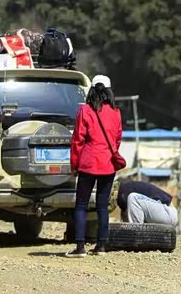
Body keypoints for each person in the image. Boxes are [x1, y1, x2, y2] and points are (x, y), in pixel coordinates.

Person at [67, 74, 123, 257]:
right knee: (102, 206)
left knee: (81, 205)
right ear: (109, 92)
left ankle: (80, 247)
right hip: (107, 164)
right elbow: (117, 139)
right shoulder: (116, 112)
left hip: (88, 163)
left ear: (91, 90)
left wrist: (74, 164)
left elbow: (78, 140)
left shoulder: (85, 110)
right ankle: (102, 246)